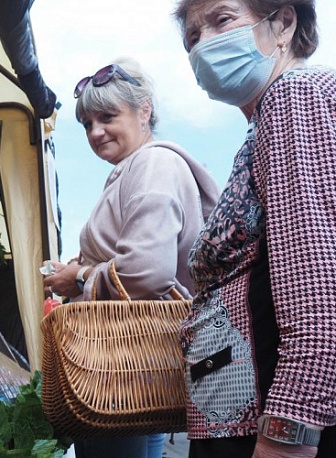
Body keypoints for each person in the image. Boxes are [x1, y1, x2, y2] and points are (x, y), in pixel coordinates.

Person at [172, 1, 336, 457]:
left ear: (283, 23)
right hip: (236, 413)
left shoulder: (293, 96)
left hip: (269, 425)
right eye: (192, 38)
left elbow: (317, 290)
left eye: (222, 20)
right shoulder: (268, 121)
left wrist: (288, 431)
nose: (204, 45)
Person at [42, 57, 220, 458]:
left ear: (145, 111)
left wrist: (80, 277)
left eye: (108, 117)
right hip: (136, 364)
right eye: (87, 123)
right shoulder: (134, 168)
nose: (95, 131)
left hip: (125, 366)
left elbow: (147, 272)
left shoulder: (152, 165)